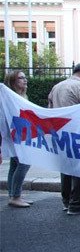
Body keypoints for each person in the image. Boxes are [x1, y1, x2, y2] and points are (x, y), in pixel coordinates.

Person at [48, 63, 80, 215]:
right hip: (79, 134)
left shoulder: (57, 87)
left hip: (60, 133)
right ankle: (77, 204)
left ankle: (67, 202)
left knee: (66, 169)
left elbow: (50, 109)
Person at [5, 71, 33, 208]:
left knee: (14, 164)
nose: (25, 80)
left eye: (25, 77)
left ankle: (13, 194)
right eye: (21, 78)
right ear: (12, 81)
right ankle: (15, 196)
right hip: (14, 135)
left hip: (21, 134)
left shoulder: (23, 96)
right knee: (24, 163)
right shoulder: (10, 97)